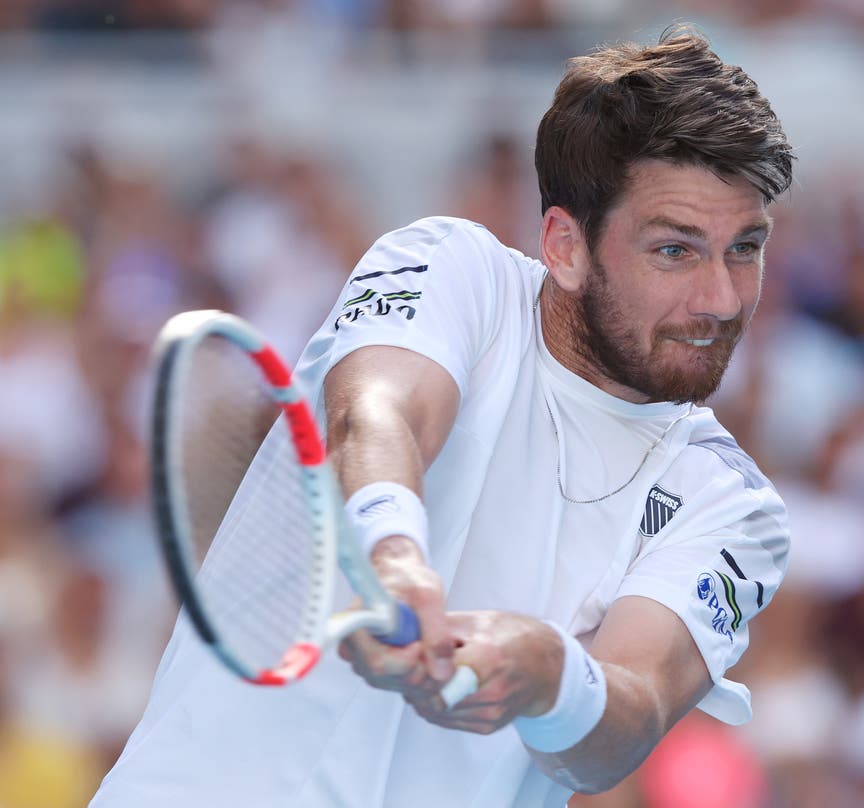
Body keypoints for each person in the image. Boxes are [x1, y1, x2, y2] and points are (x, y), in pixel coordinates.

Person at [92, 26, 794, 807]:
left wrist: (548, 675)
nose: (723, 299)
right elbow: (377, 411)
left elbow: (626, 717)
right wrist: (393, 551)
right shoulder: (451, 266)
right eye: (676, 250)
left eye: (746, 247)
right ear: (565, 246)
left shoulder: (733, 504)